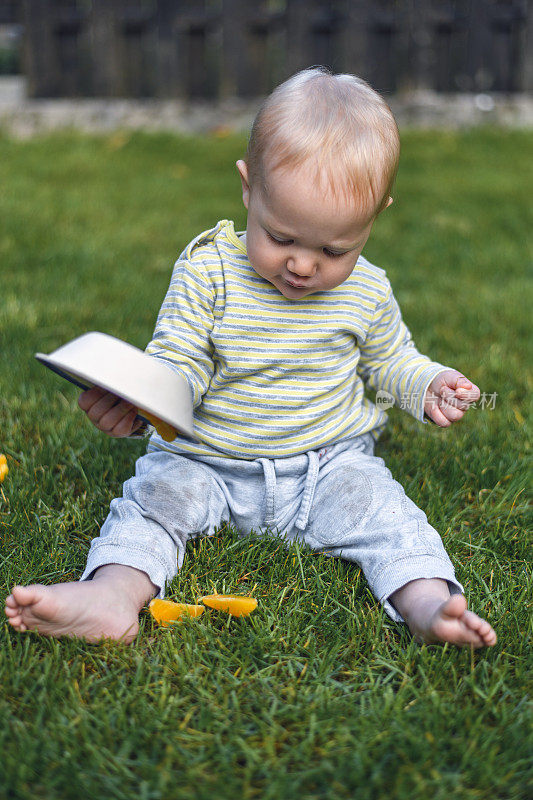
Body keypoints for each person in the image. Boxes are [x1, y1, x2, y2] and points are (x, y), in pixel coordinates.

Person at [5, 68, 496, 648]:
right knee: (153, 503)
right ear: (247, 188)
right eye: (281, 237)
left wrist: (427, 383)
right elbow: (177, 364)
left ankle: (430, 606)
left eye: (334, 249)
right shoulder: (208, 273)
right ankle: (112, 595)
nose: (304, 265)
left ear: (376, 217)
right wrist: (141, 403)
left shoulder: (367, 290)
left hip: (326, 465)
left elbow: (390, 363)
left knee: (387, 514)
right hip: (207, 460)